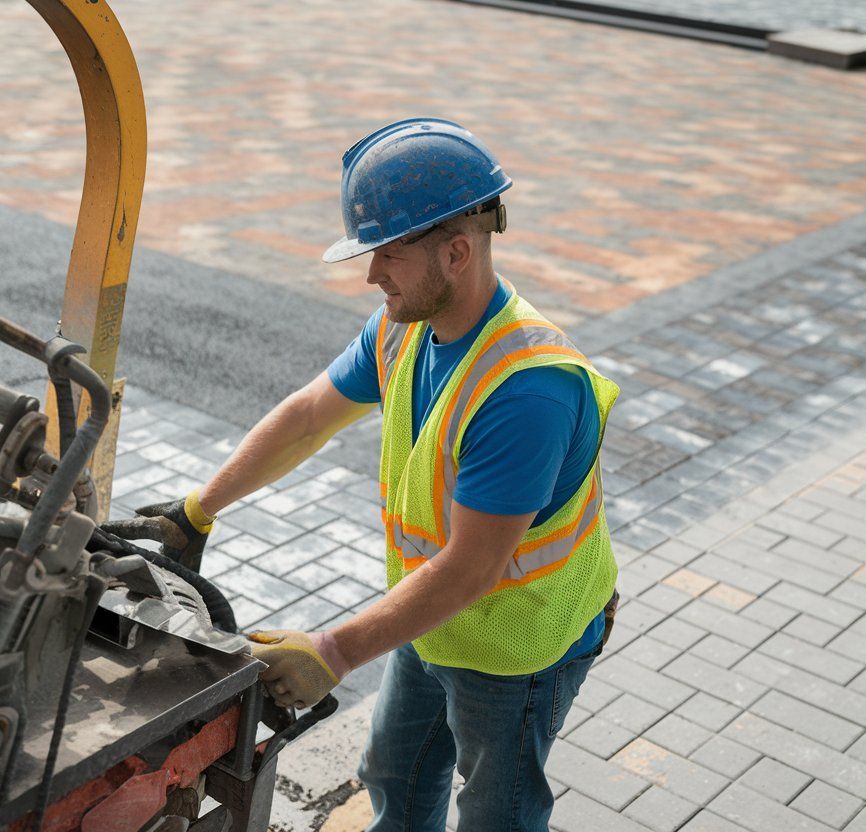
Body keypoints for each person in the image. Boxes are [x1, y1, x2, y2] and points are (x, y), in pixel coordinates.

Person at [106, 118, 619, 831]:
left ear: (458, 253)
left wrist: (335, 651)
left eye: (387, 256)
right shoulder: (403, 327)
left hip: (517, 648)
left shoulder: (528, 391)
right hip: (435, 621)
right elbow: (311, 414)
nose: (372, 275)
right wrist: (198, 507)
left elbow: (473, 568)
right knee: (395, 773)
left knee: (497, 811)